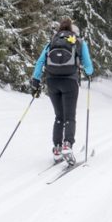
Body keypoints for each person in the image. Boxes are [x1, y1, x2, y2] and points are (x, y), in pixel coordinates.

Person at [30, 18, 94, 164]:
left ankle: (57, 148)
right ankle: (67, 145)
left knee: (59, 116)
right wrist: (89, 73)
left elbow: (40, 62)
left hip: (52, 81)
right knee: (69, 117)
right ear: (73, 31)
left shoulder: (53, 41)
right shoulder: (79, 42)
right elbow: (88, 65)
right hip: (70, 82)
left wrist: (36, 80)